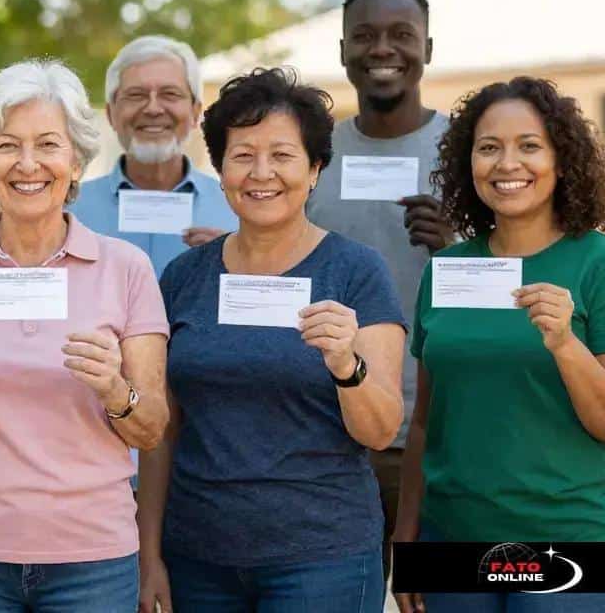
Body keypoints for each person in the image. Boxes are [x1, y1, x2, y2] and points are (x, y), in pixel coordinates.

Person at [0, 59, 169, 612]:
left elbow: (151, 429)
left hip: (92, 558)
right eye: (7, 145)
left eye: (47, 144)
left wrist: (115, 389)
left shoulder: (127, 268)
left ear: (76, 161)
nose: (28, 164)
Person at [137, 68, 405, 613]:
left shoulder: (356, 272)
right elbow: (163, 433)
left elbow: (379, 430)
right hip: (198, 558)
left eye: (282, 155)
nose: (262, 173)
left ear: (315, 169)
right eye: (242, 155)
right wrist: (149, 556)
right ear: (221, 170)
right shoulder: (184, 277)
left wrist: (345, 363)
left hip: (322, 558)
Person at [394, 77, 605, 613]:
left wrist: (565, 345)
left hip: (575, 540)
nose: (507, 163)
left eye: (529, 146)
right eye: (489, 148)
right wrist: (406, 539)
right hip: (453, 536)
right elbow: (426, 419)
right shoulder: (446, 269)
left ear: (563, 160)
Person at [306, 0, 453, 583]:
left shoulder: (468, 153)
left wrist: (458, 251)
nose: (382, 49)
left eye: (401, 35)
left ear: (428, 49)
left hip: (439, 431)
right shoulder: (313, 154)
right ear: (343, 53)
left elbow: (520, 281)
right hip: (326, 430)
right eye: (364, 36)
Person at [70, 35, 237, 278]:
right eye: (136, 95)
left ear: (195, 112)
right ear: (110, 113)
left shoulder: (238, 210)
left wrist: (240, 260)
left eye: (170, 94)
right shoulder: (68, 211)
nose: (153, 109)